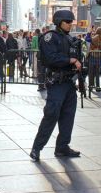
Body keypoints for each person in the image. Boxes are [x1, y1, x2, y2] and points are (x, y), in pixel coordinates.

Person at [29, 10, 83, 161]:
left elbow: (77, 58)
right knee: (51, 115)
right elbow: (50, 58)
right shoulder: (50, 37)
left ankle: (62, 147)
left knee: (68, 117)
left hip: (69, 83)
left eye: (71, 22)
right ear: (59, 22)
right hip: (57, 83)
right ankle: (36, 148)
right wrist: (71, 60)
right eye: (68, 22)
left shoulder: (70, 39)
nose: (70, 24)